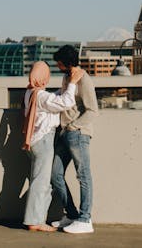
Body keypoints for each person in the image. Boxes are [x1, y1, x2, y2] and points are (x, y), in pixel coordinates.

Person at [21, 61, 84, 232]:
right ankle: (34, 221)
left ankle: (37, 218)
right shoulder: (40, 96)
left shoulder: (30, 92)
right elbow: (65, 103)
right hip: (43, 141)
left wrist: (63, 88)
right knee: (40, 182)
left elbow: (53, 99)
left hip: (34, 141)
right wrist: (72, 84)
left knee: (43, 181)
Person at [50, 45, 98, 234]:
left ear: (66, 62)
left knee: (83, 176)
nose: (57, 65)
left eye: (59, 62)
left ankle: (85, 219)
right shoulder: (67, 77)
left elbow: (93, 110)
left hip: (77, 133)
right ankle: (71, 215)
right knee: (55, 175)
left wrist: (74, 126)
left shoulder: (84, 80)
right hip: (64, 133)